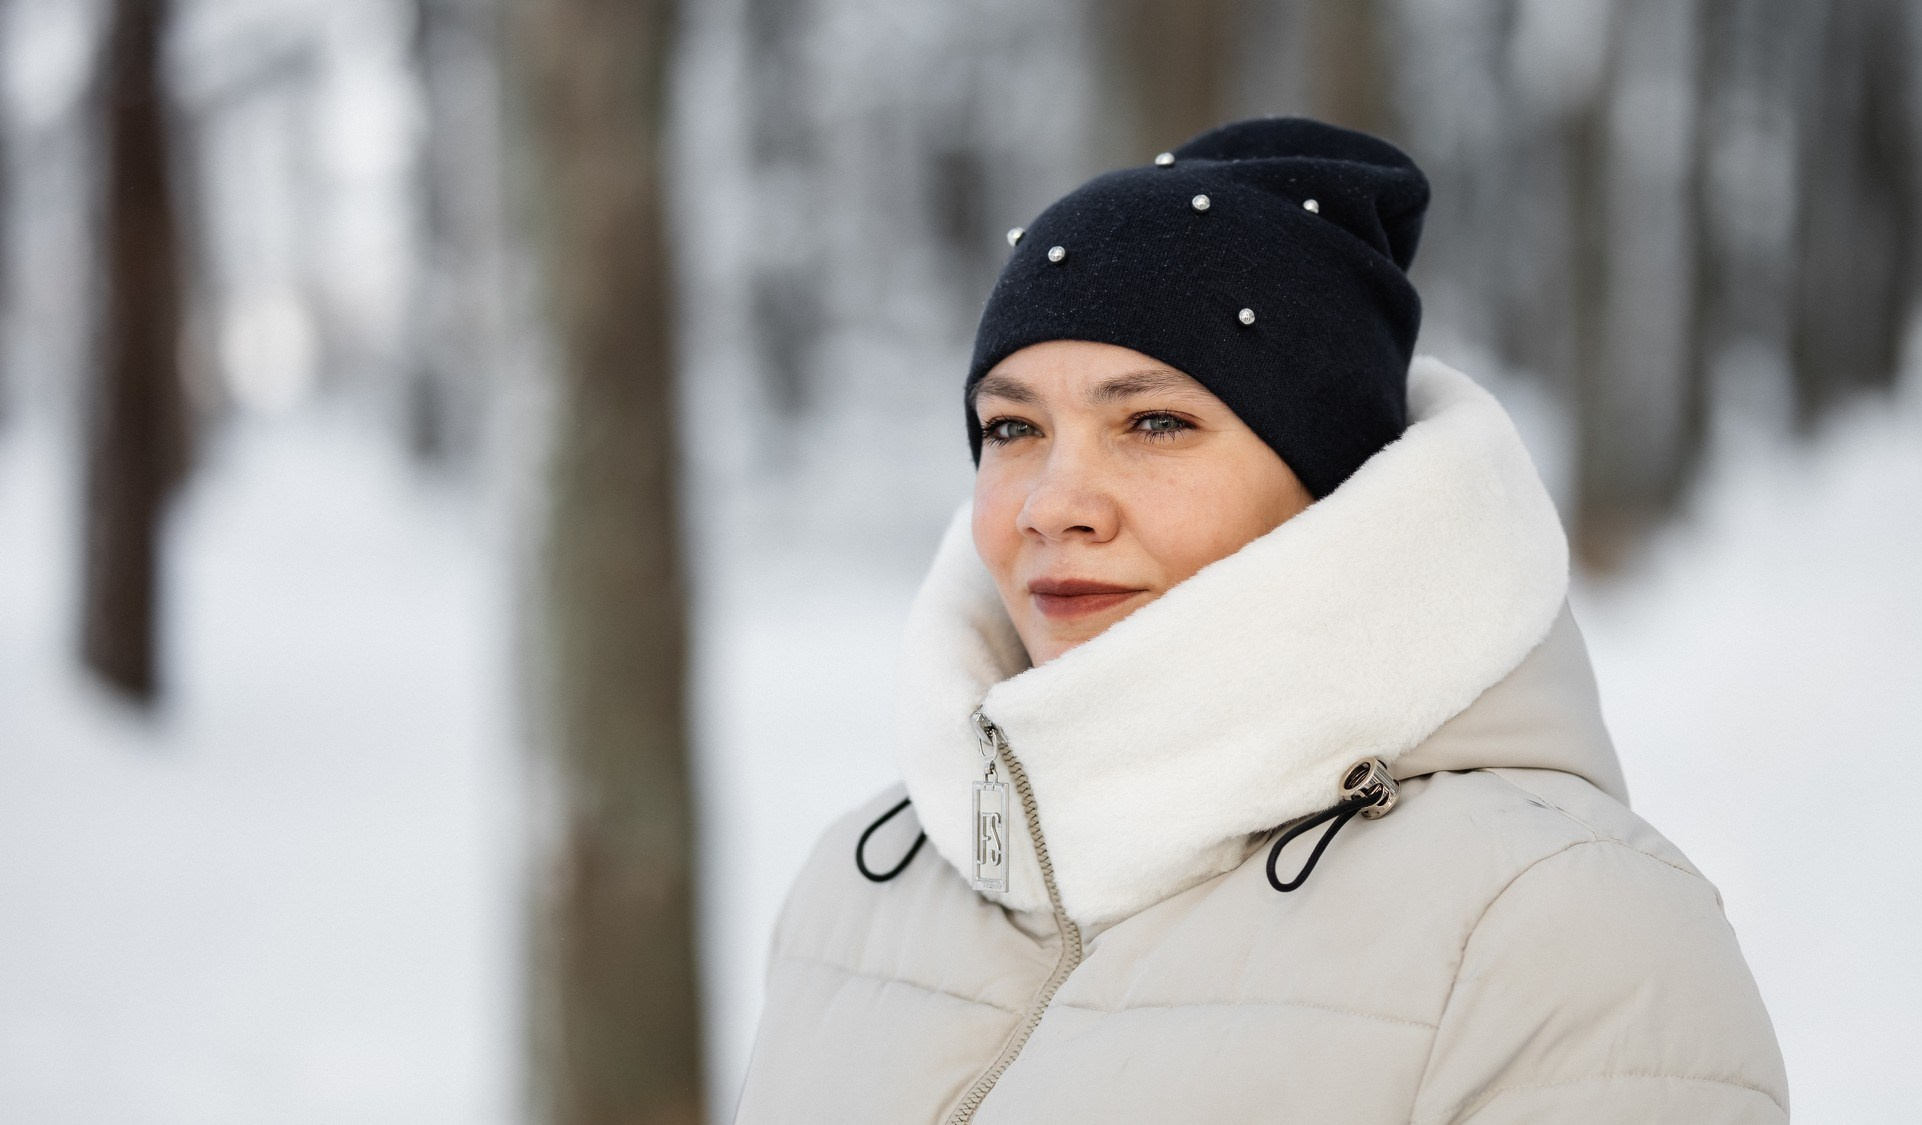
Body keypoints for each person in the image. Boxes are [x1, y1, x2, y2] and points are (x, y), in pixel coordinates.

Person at [731, 117, 1787, 1124]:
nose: (1052, 501)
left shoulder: (1557, 930)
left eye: (1153, 422)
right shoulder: (869, 880)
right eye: (1012, 426)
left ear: (1331, 486)